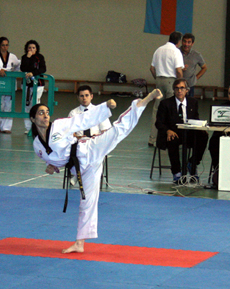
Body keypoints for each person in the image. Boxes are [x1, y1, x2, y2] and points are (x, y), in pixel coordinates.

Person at [30, 89, 162, 253]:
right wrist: (52, 166)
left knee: (117, 131)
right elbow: (54, 158)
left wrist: (105, 106)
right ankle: (80, 243)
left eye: (47, 112)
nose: (46, 115)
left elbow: (82, 120)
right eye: (41, 113)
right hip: (81, 168)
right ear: (33, 118)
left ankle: (141, 103)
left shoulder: (59, 125)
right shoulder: (37, 145)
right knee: (87, 202)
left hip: (88, 150)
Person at [155, 78, 208, 183]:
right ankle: (177, 172)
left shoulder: (193, 102)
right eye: (177, 88)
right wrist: (167, 131)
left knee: (203, 136)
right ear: (174, 90)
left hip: (188, 133)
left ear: (187, 90)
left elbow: (195, 119)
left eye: (182, 88)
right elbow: (159, 123)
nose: (179, 91)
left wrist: (201, 127)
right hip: (173, 133)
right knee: (172, 139)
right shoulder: (165, 104)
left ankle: (192, 163)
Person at [148, 31, 184, 147]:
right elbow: (178, 70)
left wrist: (158, 79)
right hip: (170, 82)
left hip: (159, 80)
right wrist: (180, 84)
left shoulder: (158, 50)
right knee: (171, 110)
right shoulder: (176, 51)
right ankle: (170, 138)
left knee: (157, 110)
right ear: (178, 42)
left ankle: (152, 139)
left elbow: (152, 68)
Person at [0, 36, 21, 134]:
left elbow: (18, 66)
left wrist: (15, 72)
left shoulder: (13, 56)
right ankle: (1, 126)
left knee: (8, 106)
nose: (5, 47)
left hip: (9, 84)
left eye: (6, 45)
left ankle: (7, 128)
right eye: (3, 45)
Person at [20, 40, 46, 134]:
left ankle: (37, 127)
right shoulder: (24, 57)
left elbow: (43, 68)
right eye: (29, 48)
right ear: (27, 49)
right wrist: (28, 57)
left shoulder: (40, 57)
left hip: (38, 84)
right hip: (26, 85)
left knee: (35, 104)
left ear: (37, 48)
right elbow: (23, 68)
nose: (31, 49)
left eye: (33, 48)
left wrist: (33, 73)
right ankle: (28, 127)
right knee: (27, 105)